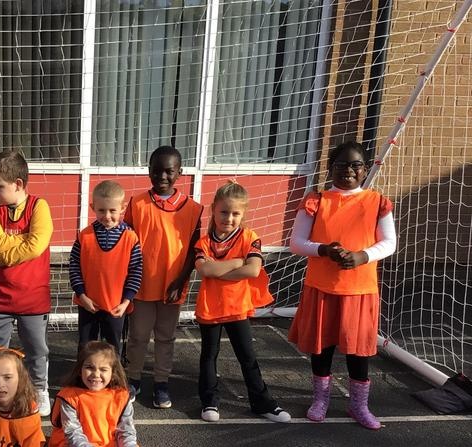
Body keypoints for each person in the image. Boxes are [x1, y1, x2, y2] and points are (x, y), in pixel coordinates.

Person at [289, 140, 397, 430]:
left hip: (360, 290)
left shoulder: (378, 202)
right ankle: (320, 399)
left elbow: (389, 243)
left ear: (366, 169)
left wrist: (362, 256)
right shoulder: (316, 201)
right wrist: (324, 250)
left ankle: (359, 405)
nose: (348, 170)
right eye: (341, 164)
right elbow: (296, 243)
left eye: (355, 165)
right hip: (322, 288)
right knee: (321, 348)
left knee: (358, 351)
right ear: (330, 168)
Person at [194, 181, 291, 423]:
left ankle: (262, 403)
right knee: (209, 356)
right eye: (224, 212)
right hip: (211, 307)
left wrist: (218, 270)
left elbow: (253, 270)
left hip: (237, 307)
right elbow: (204, 270)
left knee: (247, 356)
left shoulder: (249, 237)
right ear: (213, 210)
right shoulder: (203, 242)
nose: (229, 218)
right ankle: (209, 402)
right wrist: (238, 262)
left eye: (235, 213)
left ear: (243, 214)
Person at [0, 150, 54, 416]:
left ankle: (39, 389)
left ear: (17, 184)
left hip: (33, 297)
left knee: (36, 350)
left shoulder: (39, 206)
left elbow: (37, 246)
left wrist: (2, 258)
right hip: (0, 297)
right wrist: (19, 243)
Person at [125, 146, 203, 408]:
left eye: (169, 171)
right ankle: (133, 378)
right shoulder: (137, 203)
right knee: (138, 336)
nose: (162, 176)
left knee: (165, 337)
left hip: (173, 285)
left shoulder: (193, 208)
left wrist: (181, 281)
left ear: (179, 173)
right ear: (149, 171)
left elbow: (193, 250)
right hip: (141, 284)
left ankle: (161, 383)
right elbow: (127, 244)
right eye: (156, 170)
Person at [47, 341, 155, 447]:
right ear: (80, 369)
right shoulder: (69, 396)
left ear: (113, 372)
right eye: (89, 367)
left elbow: (126, 432)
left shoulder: (121, 395)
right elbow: (74, 436)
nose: (96, 374)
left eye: (103, 369)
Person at [68, 180, 142, 353]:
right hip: (88, 304)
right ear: (93, 207)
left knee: (112, 350)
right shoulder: (84, 235)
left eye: (112, 210)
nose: (107, 216)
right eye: (101, 210)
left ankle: (114, 373)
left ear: (122, 208)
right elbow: (74, 267)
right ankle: (83, 372)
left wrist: (126, 302)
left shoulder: (131, 238)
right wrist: (82, 295)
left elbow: (136, 271)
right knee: (86, 348)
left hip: (115, 306)